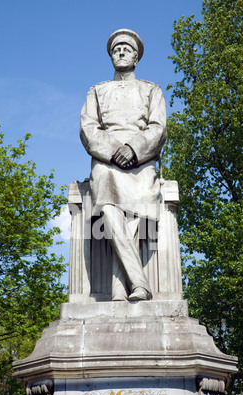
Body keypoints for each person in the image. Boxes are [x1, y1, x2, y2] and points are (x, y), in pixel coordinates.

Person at [80, 29, 167, 301]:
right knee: (108, 207)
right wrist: (114, 150)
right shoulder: (97, 91)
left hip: (141, 162)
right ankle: (139, 282)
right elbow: (88, 128)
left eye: (126, 49)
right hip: (107, 162)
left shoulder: (151, 90)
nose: (120, 52)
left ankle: (121, 287)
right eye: (116, 49)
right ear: (110, 56)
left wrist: (133, 149)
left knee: (136, 209)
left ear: (136, 57)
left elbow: (158, 127)